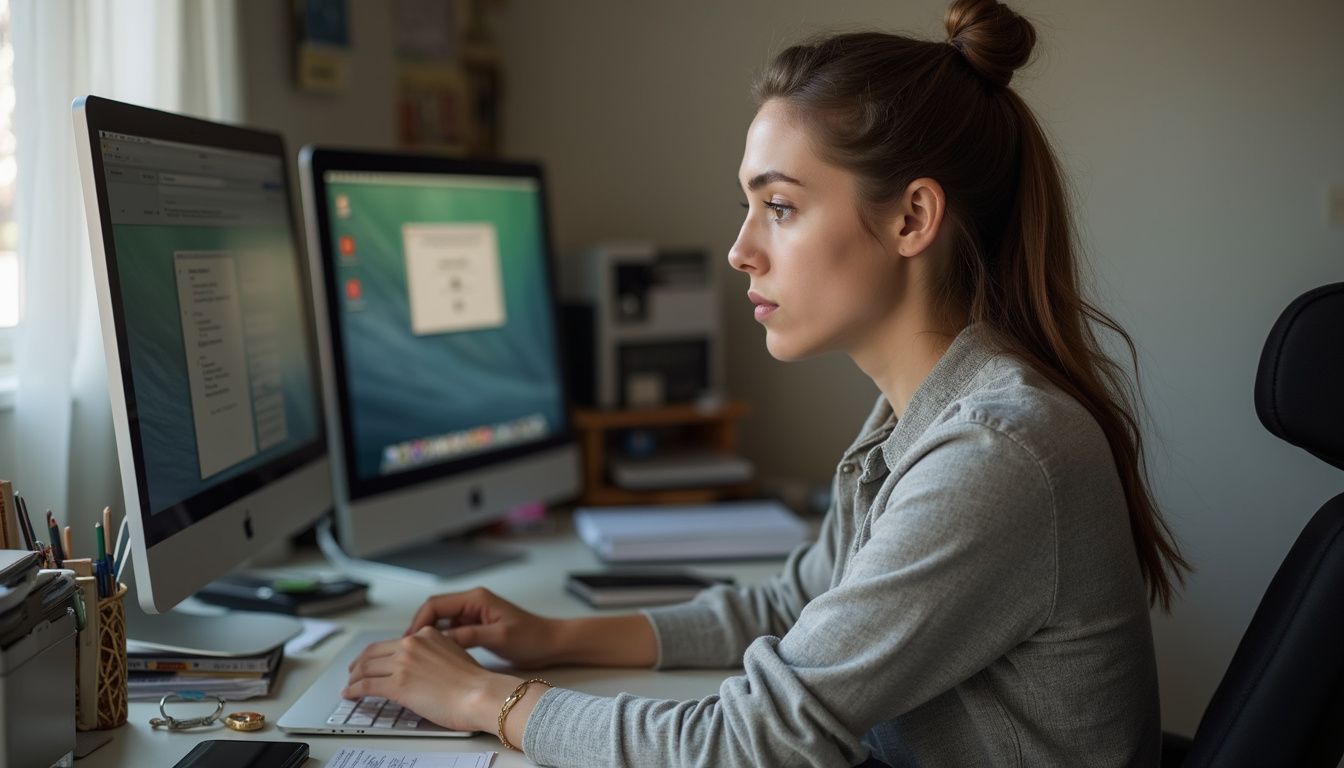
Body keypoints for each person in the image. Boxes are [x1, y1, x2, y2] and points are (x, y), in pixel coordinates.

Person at [343, 0, 1189, 765]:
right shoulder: (924, 414)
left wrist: (480, 698)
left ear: (912, 218)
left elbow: (753, 744)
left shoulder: (995, 454)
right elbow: (801, 603)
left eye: (778, 206)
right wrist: (555, 635)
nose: (740, 249)